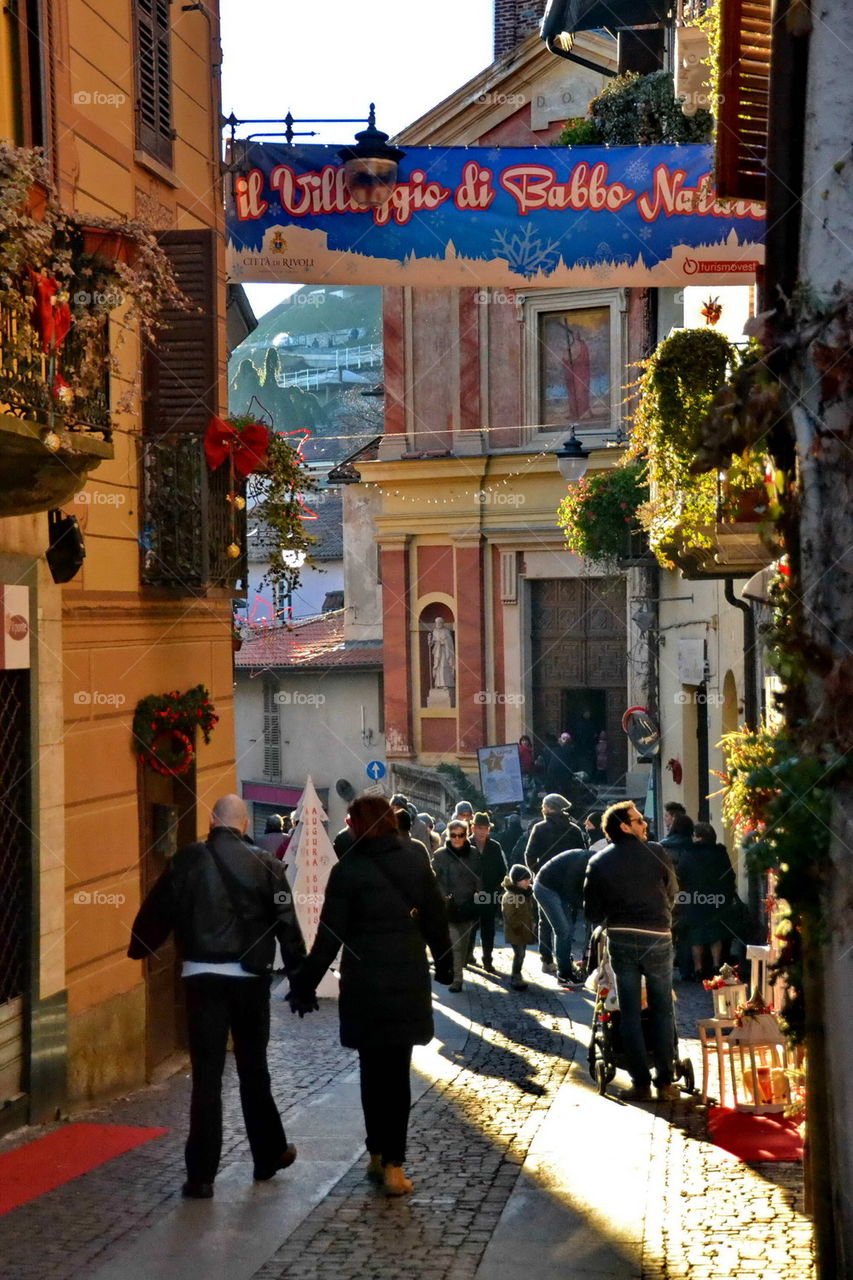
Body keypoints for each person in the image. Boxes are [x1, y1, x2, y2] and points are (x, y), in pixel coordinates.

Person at [127, 794, 307, 1199]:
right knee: (253, 1070)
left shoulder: (187, 860)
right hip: (248, 979)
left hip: (200, 976)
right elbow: (286, 924)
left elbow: (158, 909)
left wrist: (139, 946)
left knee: (206, 1079)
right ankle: (267, 1154)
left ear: (212, 821)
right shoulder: (268, 865)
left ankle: (200, 1176)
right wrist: (299, 978)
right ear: (244, 824)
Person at [286, 796, 453, 1198]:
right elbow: (435, 918)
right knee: (397, 1076)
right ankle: (395, 1166)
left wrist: (304, 985)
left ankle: (377, 1153)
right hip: (407, 980)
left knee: (371, 1073)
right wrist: (446, 966)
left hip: (364, 985)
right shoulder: (416, 859)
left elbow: (329, 937)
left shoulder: (348, 871)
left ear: (357, 825)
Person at [583, 801, 679, 1103]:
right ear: (624, 826)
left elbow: (592, 912)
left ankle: (640, 1082)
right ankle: (664, 1081)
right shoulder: (658, 853)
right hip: (657, 935)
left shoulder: (598, 862)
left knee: (630, 1012)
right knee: (663, 1008)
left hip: (622, 936)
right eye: (638, 821)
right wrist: (661, 915)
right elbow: (673, 892)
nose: (644, 825)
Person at [524, 794, 587, 974]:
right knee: (567, 923)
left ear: (550, 808)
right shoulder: (574, 830)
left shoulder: (539, 828)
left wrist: (537, 871)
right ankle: (564, 960)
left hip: (546, 882)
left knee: (545, 922)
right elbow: (581, 855)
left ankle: (547, 959)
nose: (542, 809)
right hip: (569, 882)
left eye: (544, 806)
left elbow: (529, 855)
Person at [676, 821, 738, 979]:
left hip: (694, 900)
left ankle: (698, 969)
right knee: (715, 934)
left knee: (696, 937)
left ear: (697, 837)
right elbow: (729, 876)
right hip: (717, 899)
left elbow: (680, 876)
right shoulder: (720, 853)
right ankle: (717, 966)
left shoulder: (688, 853)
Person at [432, 819, 483, 992]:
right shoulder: (440, 855)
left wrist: (478, 896)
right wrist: (445, 896)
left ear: (466, 835)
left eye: (460, 835)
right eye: (453, 835)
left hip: (467, 906)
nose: (456, 839)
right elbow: (435, 880)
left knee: (465, 943)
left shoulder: (474, 854)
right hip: (449, 907)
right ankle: (457, 978)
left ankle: (459, 970)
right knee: (455, 945)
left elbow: (478, 877)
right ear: (448, 834)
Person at [533, 847, 591, 985]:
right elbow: (570, 890)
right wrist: (585, 905)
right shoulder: (582, 863)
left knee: (568, 929)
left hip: (557, 889)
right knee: (563, 930)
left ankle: (566, 964)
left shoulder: (590, 862)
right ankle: (564, 974)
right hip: (545, 888)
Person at [469, 812, 507, 973]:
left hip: (489, 893)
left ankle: (487, 959)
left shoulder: (494, 846)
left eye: (485, 828)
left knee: (488, 929)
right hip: (469, 894)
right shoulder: (466, 844)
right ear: (473, 828)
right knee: (469, 927)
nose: (482, 831)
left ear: (489, 830)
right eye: (479, 828)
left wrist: (496, 889)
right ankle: (467, 955)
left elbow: (502, 870)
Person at [501, 865, 536, 991]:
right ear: (516, 881)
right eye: (525, 880)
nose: (528, 882)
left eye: (529, 879)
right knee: (519, 954)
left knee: (522, 954)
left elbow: (529, 911)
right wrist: (519, 927)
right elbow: (510, 916)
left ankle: (517, 974)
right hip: (516, 932)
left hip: (524, 930)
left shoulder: (525, 893)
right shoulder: (511, 895)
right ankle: (515, 976)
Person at [428, 617, 456, 689]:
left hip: (445, 652)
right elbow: (432, 643)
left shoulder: (446, 631)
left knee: (444, 666)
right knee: (437, 667)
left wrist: (443, 642)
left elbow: (449, 642)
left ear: (442, 623)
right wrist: (429, 641)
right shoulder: (434, 631)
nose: (438, 624)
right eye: (436, 622)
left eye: (439, 622)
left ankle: (446, 683)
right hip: (437, 652)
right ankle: (438, 683)